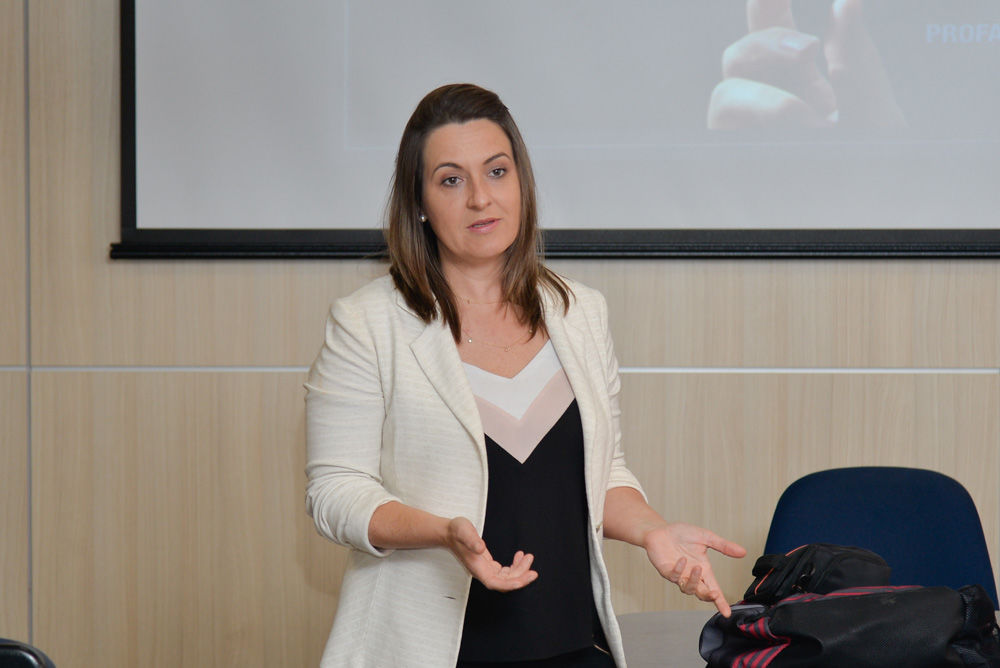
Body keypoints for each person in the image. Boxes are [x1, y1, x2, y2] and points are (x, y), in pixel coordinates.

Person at [305, 83, 746, 667]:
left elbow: (603, 471)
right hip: (433, 648)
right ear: (419, 202)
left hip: (573, 642)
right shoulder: (367, 323)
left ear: (521, 182)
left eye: (497, 171)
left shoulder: (580, 312)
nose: (480, 198)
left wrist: (652, 531)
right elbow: (335, 492)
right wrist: (442, 531)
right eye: (451, 180)